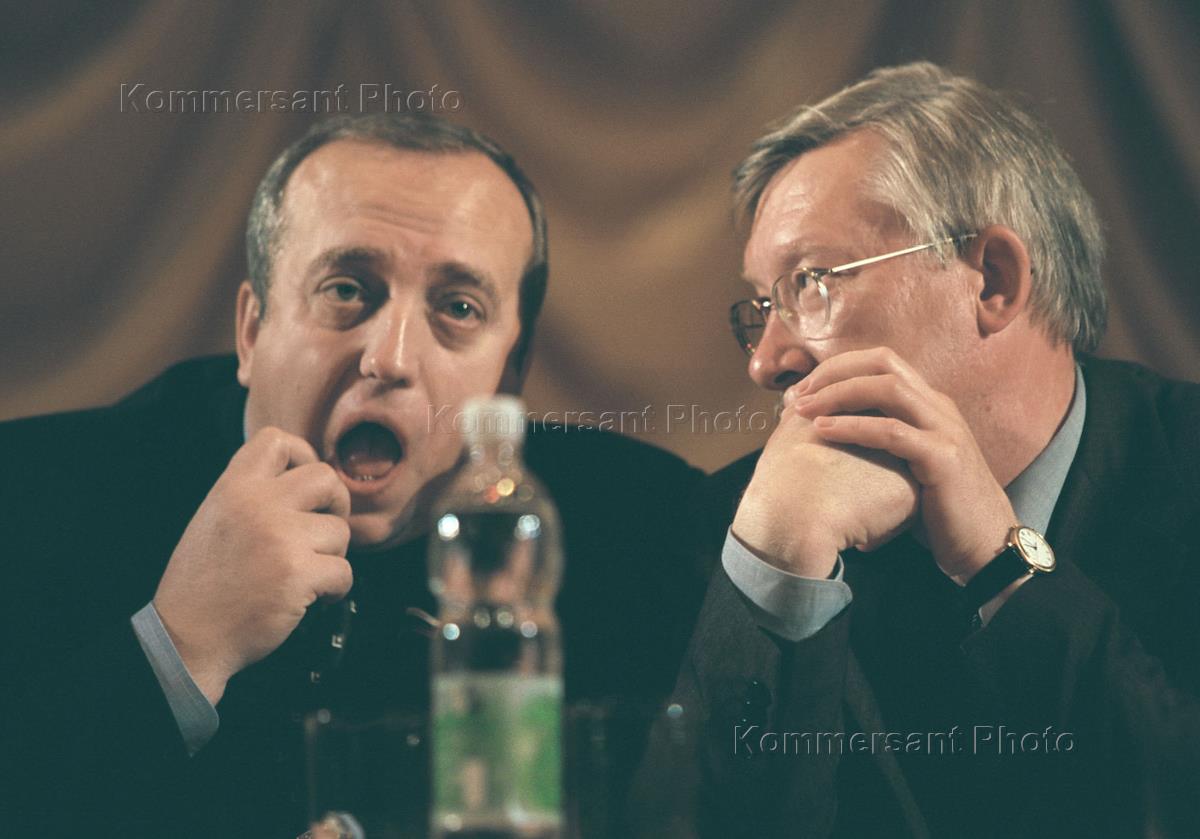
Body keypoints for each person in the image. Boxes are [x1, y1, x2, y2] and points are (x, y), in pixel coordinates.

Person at [0, 114, 704, 836]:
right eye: (345, 290)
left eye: (458, 308)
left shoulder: (642, 529)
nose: (389, 357)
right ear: (252, 330)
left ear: (511, 371)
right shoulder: (30, 500)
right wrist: (180, 643)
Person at [635, 62, 1200, 838]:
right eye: (762, 305)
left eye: (811, 282)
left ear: (992, 281)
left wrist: (1001, 565)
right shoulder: (735, 526)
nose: (765, 362)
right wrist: (778, 577)